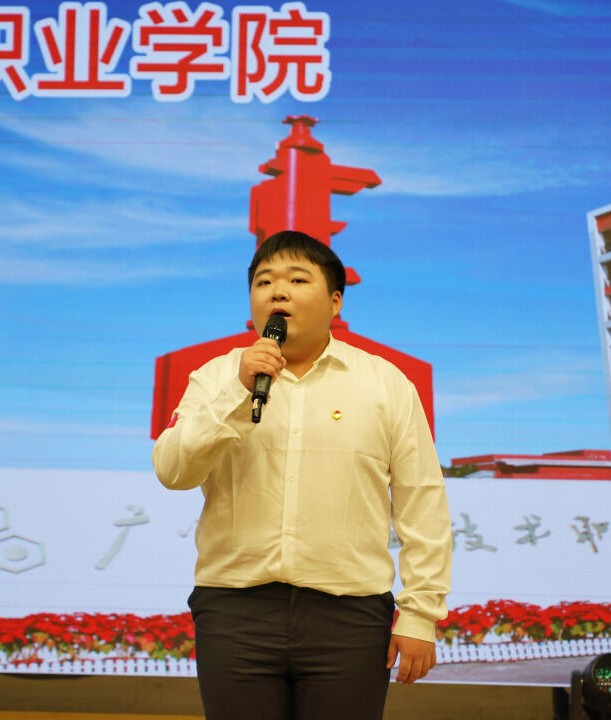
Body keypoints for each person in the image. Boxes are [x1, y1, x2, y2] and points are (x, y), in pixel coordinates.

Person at [152, 230, 452, 720]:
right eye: (264, 282)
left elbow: (422, 502)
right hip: (235, 611)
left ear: (335, 301)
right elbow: (172, 470)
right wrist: (237, 392)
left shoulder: (385, 383)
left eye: (297, 280)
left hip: (350, 615)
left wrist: (420, 614)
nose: (278, 292)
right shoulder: (216, 377)